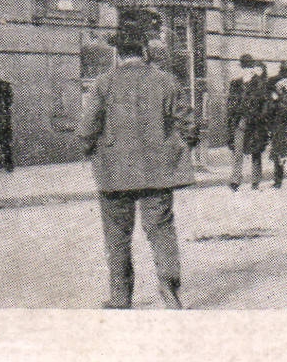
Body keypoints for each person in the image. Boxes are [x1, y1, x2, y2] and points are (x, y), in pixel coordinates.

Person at [81, 37, 199, 309]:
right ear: (144, 52)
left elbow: (88, 127)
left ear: (118, 55)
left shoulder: (103, 83)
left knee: (117, 235)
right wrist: (180, 148)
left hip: (114, 171)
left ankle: (121, 297)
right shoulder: (167, 81)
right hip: (157, 171)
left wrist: (90, 150)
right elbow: (188, 123)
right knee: (161, 230)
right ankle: (170, 289)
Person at [229, 57, 272, 191]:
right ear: (242, 68)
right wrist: (232, 118)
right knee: (238, 152)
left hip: (255, 123)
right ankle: (235, 180)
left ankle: (255, 180)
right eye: (245, 67)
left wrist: (259, 117)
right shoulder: (235, 84)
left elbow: (265, 104)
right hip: (239, 121)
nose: (248, 70)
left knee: (255, 151)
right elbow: (230, 103)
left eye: (250, 67)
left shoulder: (260, 84)